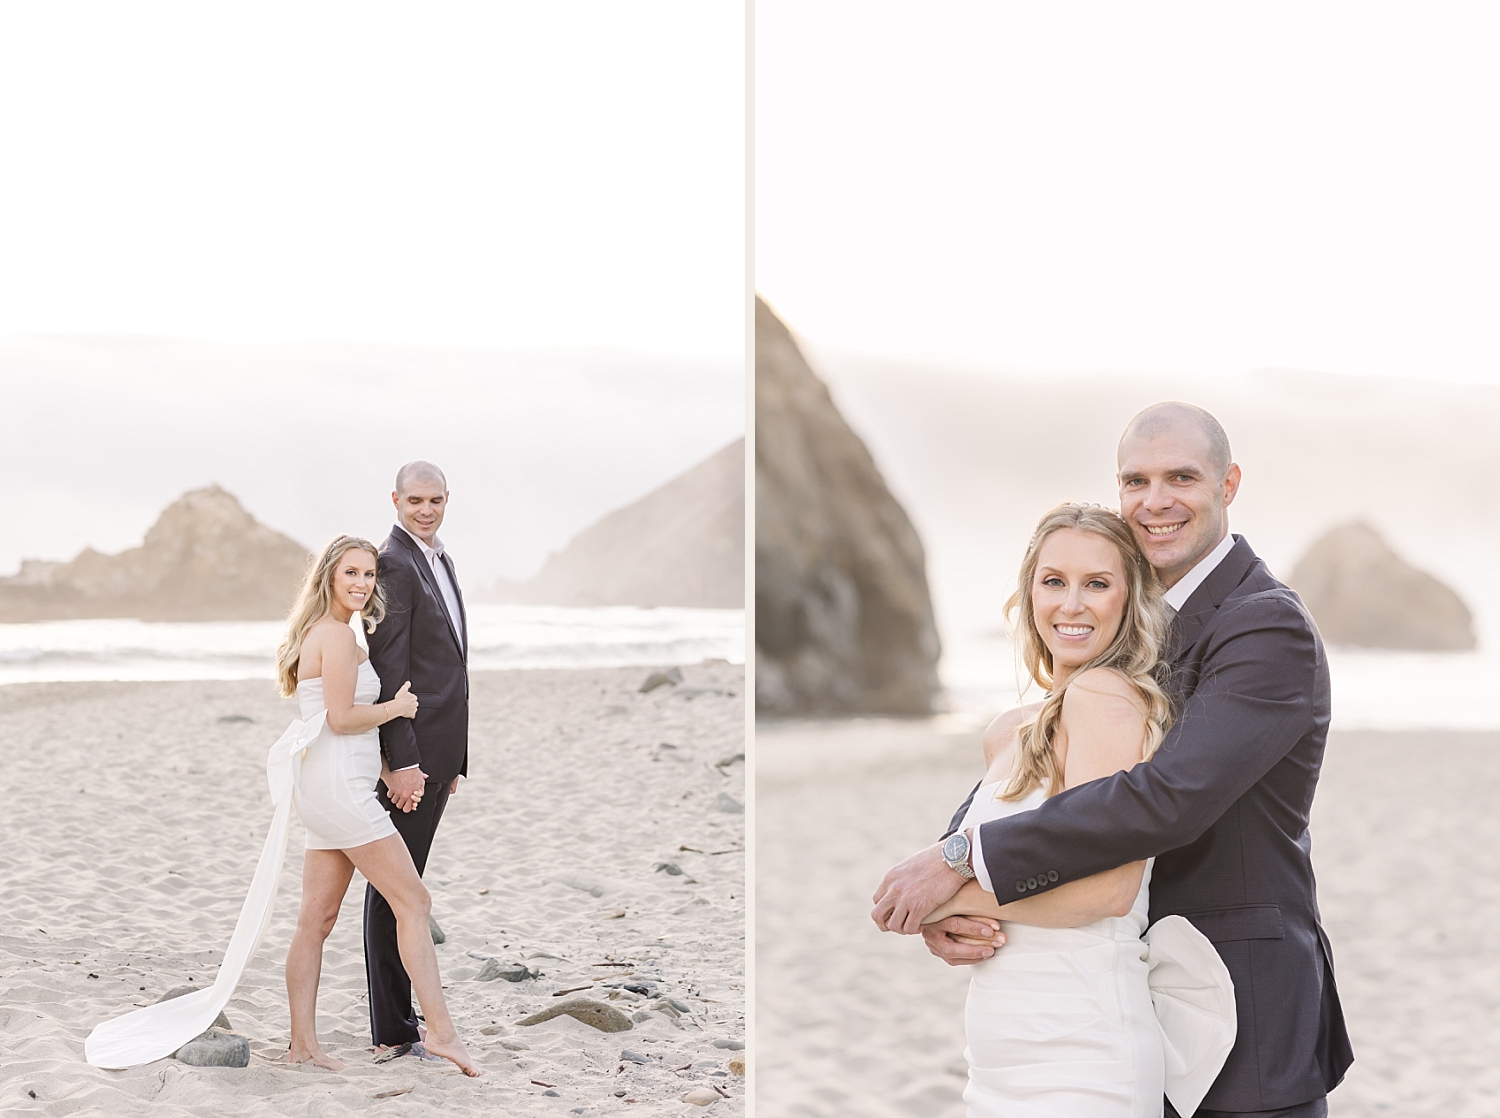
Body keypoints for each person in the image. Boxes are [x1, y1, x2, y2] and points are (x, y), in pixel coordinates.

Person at [872, 403, 1353, 1118]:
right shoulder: (1129, 640)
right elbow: (1029, 790)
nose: (1155, 501)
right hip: (1117, 998)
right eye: (1136, 481)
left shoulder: (1263, 624)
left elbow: (1166, 798)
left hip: (1236, 1002)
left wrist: (960, 861)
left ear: (1228, 485)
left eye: (1181, 477)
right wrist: (955, 887)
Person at [84, 535, 479, 1077]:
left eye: (369, 574)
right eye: (352, 575)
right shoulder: (336, 638)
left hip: (327, 787)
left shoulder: (331, 633)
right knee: (413, 903)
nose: (363, 584)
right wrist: (395, 707)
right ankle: (442, 1033)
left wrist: (387, 768)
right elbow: (342, 718)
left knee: (315, 919)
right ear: (329, 579)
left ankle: (302, 1045)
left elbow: (329, 726)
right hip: (340, 792)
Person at [908, 502, 1236, 1116]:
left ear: (1129, 599)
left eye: (1098, 584)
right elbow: (1016, 879)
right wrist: (950, 922)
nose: (1072, 604)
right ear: (1029, 591)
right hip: (998, 1053)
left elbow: (1106, 892)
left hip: (1080, 1053)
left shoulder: (1107, 697)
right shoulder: (1007, 729)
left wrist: (942, 894)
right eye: (1054, 581)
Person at [363, 461, 471, 1057]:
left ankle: (400, 1022)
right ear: (396, 500)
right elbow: (390, 672)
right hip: (411, 758)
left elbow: (450, 665)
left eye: (435, 500)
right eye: (415, 501)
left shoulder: (440, 558)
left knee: (407, 883)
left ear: (447, 499)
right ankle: (395, 1031)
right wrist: (402, 761)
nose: (425, 510)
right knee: (395, 891)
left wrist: (453, 759)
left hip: (438, 754)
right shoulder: (395, 564)